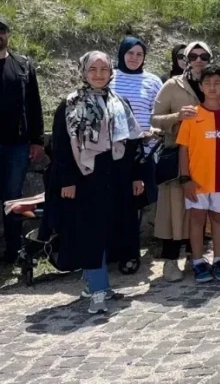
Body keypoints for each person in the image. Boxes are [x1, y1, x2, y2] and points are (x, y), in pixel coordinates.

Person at [52, 51, 143, 313]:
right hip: (84, 177)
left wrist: (136, 175)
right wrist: (68, 180)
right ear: (83, 72)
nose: (99, 75)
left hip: (115, 175)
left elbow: (133, 141)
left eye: (104, 69)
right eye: (93, 70)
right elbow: (60, 146)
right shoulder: (70, 103)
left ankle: (94, 283)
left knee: (108, 231)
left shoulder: (119, 101)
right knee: (90, 231)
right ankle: (99, 291)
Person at [150, 41, 212, 280]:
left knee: (199, 208)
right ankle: (170, 260)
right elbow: (154, 119)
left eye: (204, 56)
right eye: (193, 56)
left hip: (206, 156)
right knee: (174, 209)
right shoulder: (172, 85)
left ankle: (194, 255)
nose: (198, 60)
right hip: (178, 154)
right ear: (185, 59)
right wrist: (177, 116)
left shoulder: (214, 84)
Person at [177, 65, 220, 283]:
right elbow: (183, 149)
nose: (212, 88)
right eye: (208, 83)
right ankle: (197, 261)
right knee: (196, 219)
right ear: (201, 86)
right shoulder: (191, 114)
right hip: (196, 180)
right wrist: (185, 179)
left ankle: (218, 259)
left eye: (217, 83)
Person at [108, 36, 163, 274]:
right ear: (121, 54)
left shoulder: (152, 81)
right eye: (130, 53)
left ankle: (130, 253)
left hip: (142, 152)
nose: (134, 58)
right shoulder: (108, 77)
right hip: (110, 153)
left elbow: (157, 112)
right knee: (112, 204)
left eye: (139, 54)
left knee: (134, 204)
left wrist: (154, 133)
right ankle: (112, 250)